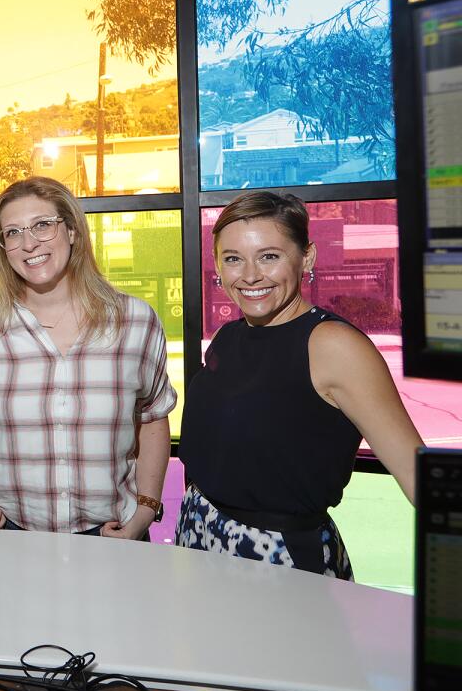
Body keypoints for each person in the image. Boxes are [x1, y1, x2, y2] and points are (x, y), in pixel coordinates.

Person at [177, 191, 423, 578]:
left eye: (269, 256)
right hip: (199, 533)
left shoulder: (333, 345)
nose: (250, 274)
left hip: (280, 557)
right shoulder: (229, 336)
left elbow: (416, 471)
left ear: (306, 257)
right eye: (233, 259)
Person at [0, 177, 175, 539]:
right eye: (12, 233)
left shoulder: (135, 322)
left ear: (71, 230)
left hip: (111, 534)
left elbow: (151, 419)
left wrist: (146, 510)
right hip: (10, 533)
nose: (28, 244)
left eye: (42, 225)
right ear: (3, 247)